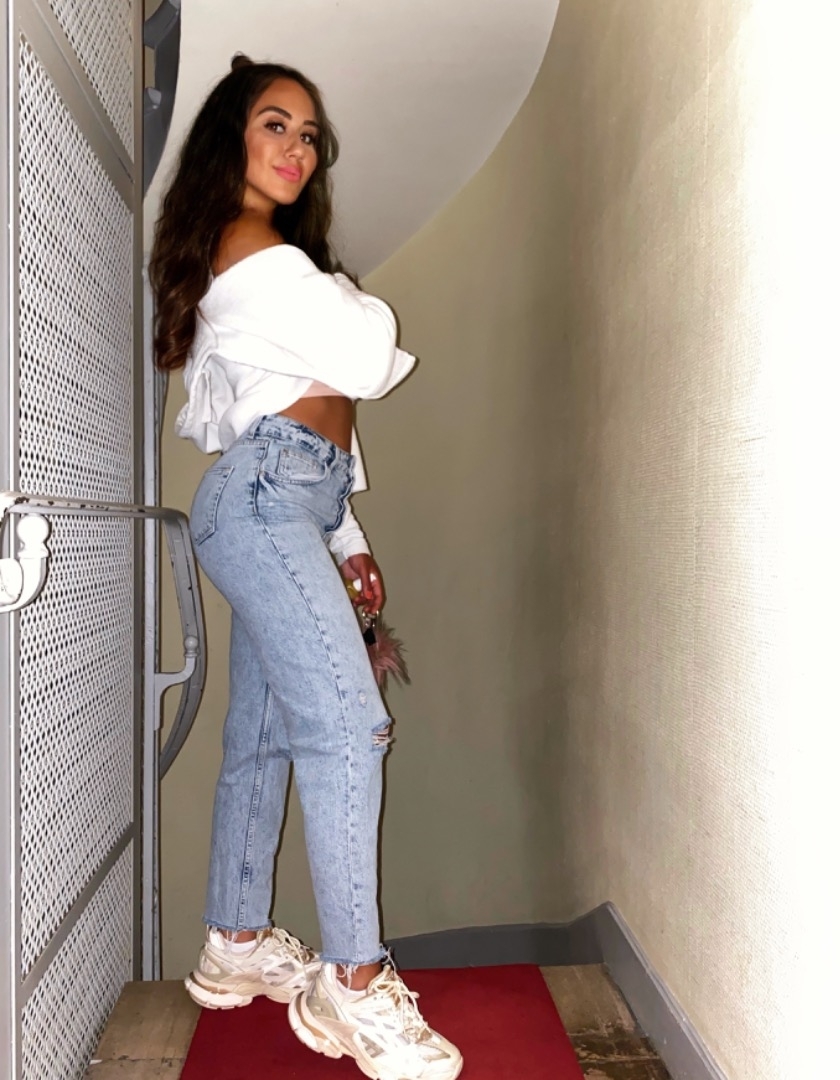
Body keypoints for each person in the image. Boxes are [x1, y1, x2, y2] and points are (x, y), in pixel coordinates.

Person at [149, 55, 462, 1080]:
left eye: (310, 135)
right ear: (231, 139)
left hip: (288, 499)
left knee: (267, 733)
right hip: (265, 498)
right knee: (348, 725)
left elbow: (311, 426)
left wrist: (349, 541)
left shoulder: (261, 261)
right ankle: (353, 985)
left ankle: (236, 943)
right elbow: (366, 361)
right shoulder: (255, 247)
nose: (297, 148)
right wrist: (356, 299)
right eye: (275, 124)